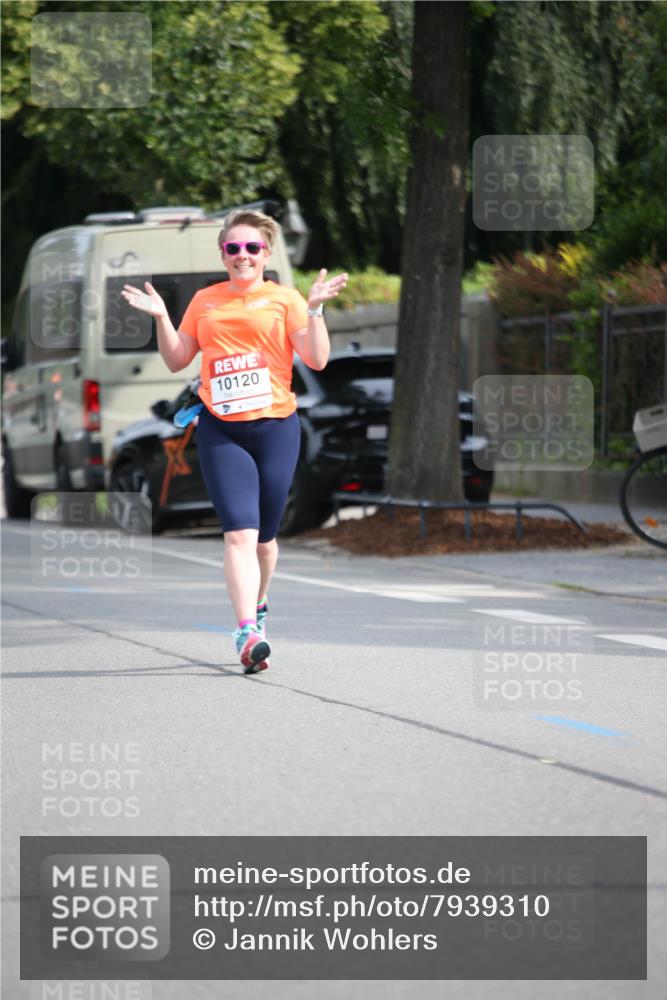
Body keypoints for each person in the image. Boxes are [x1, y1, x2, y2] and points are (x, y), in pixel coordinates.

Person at [121, 209, 348, 674]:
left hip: (276, 428)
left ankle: (259, 604)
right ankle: (246, 631)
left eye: (251, 248)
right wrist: (162, 317)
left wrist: (316, 309)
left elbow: (317, 359)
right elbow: (177, 358)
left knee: (265, 541)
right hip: (221, 430)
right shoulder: (205, 301)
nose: (242, 256)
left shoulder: (284, 299)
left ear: (265, 253)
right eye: (233, 248)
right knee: (238, 534)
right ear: (223, 253)